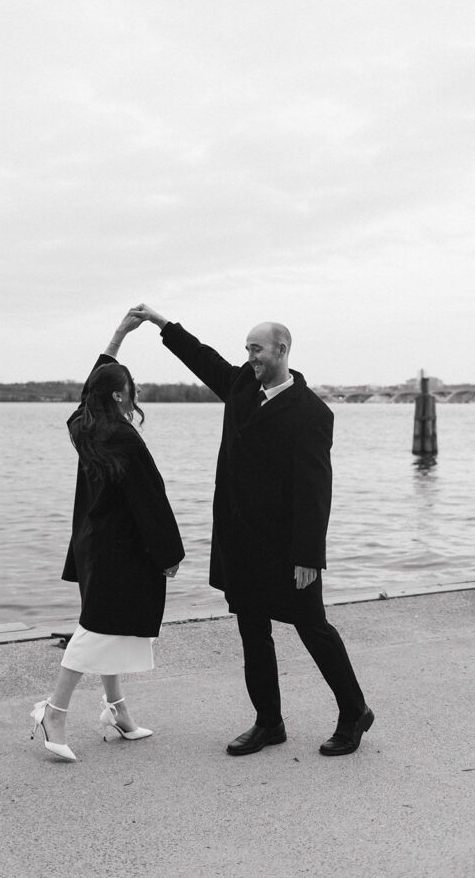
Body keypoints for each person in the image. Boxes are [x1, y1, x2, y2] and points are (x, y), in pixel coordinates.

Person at [130, 304, 373, 757]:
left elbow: (316, 490)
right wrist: (162, 323)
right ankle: (269, 722)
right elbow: (202, 359)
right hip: (240, 540)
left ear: (282, 350)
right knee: (252, 630)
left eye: (256, 349)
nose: (250, 357)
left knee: (312, 627)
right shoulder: (243, 383)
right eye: (247, 349)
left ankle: (354, 711)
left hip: (286, 547)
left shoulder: (311, 412)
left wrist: (308, 555)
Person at [30, 312, 185, 762]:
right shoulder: (122, 437)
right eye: (130, 389)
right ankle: (53, 712)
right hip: (122, 552)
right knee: (97, 631)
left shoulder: (84, 427)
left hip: (92, 546)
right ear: (121, 395)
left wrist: (118, 337)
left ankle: (118, 712)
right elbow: (150, 500)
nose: (135, 395)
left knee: (112, 629)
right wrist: (169, 554)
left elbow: (89, 390)